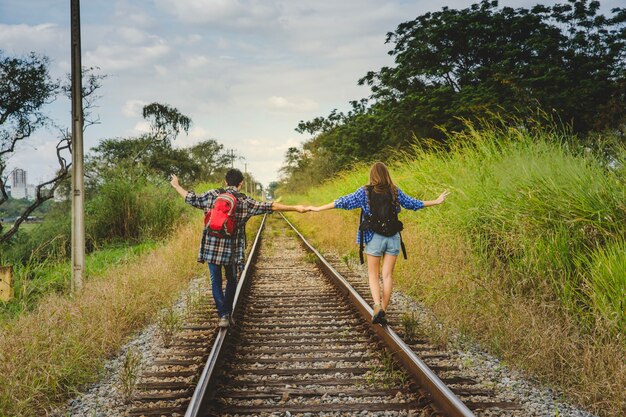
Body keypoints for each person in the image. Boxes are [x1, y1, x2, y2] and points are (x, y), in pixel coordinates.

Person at [306, 162, 449, 324]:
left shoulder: (364, 192)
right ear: (386, 174)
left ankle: (377, 306)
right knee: (387, 275)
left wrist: (318, 208)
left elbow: (343, 202)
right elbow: (413, 203)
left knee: (373, 275)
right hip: (393, 238)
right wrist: (436, 201)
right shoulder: (395, 191)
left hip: (373, 238)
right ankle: (384, 311)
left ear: (372, 175)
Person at [170, 169, 307, 328]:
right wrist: (295, 207)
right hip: (232, 250)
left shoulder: (213, 195)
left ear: (225, 181)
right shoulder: (244, 201)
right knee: (231, 279)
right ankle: (227, 313)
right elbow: (270, 206)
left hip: (211, 248)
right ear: (241, 183)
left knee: (215, 281)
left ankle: (223, 315)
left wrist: (176, 185)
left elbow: (190, 198)